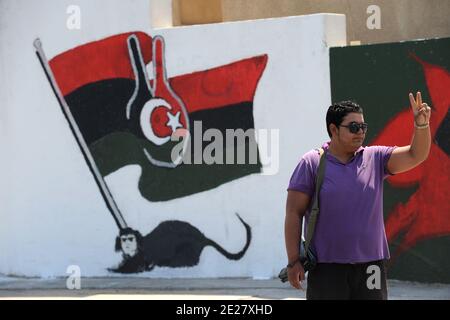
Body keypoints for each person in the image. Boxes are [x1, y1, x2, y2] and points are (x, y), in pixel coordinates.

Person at [284, 92, 431, 300]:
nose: (360, 132)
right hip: (327, 267)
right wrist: (293, 260)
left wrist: (422, 126)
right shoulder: (311, 162)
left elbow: (417, 154)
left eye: (363, 127)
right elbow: (294, 213)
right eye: (353, 127)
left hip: (371, 266)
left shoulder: (376, 158)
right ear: (333, 129)